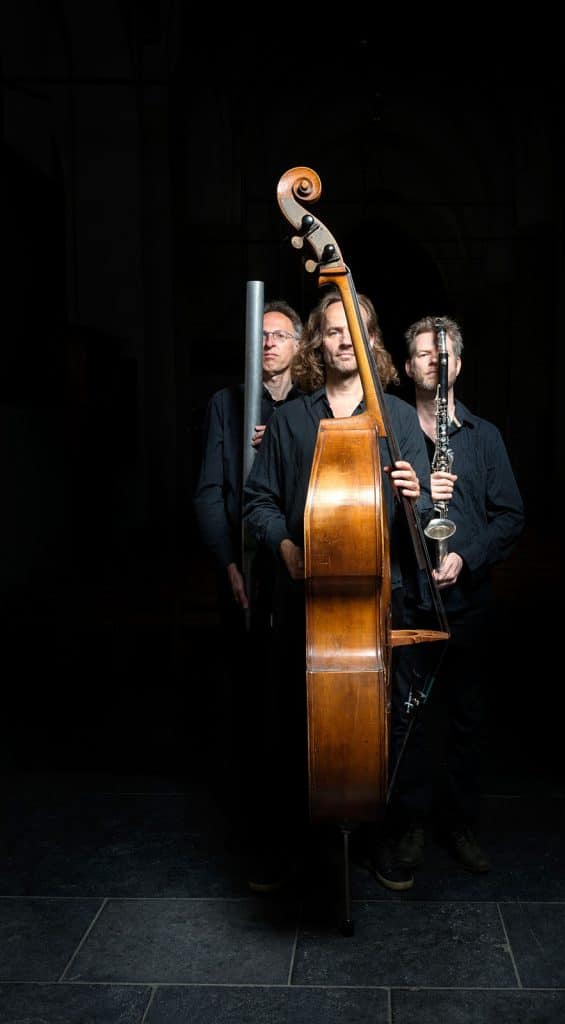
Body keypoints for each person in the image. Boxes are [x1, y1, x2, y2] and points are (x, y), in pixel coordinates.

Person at [243, 287, 437, 893]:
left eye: (353, 328)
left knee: (384, 727)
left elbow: (428, 517)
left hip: (379, 596)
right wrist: (286, 547)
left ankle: (380, 838)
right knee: (295, 726)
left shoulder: (397, 418)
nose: (343, 339)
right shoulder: (293, 419)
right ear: (318, 344)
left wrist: (416, 496)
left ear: (370, 340)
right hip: (305, 600)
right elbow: (259, 500)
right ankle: (297, 846)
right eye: (331, 330)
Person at [398, 313, 525, 874]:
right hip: (408, 600)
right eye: (425, 353)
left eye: (444, 354)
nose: (435, 361)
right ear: (408, 366)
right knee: (409, 719)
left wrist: (465, 554)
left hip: (469, 603)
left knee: (467, 717)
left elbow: (510, 516)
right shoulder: (391, 436)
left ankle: (461, 823)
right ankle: (408, 827)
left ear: (460, 366)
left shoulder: (485, 437)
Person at [192, 299, 302, 886]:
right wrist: (229, 563)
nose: (268, 344)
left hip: (297, 573)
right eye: (259, 336)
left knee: (295, 700)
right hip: (244, 576)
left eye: (279, 335)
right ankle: (256, 833)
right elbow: (210, 494)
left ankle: (304, 824)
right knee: (248, 699)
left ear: (296, 345)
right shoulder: (225, 404)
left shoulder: (310, 408)